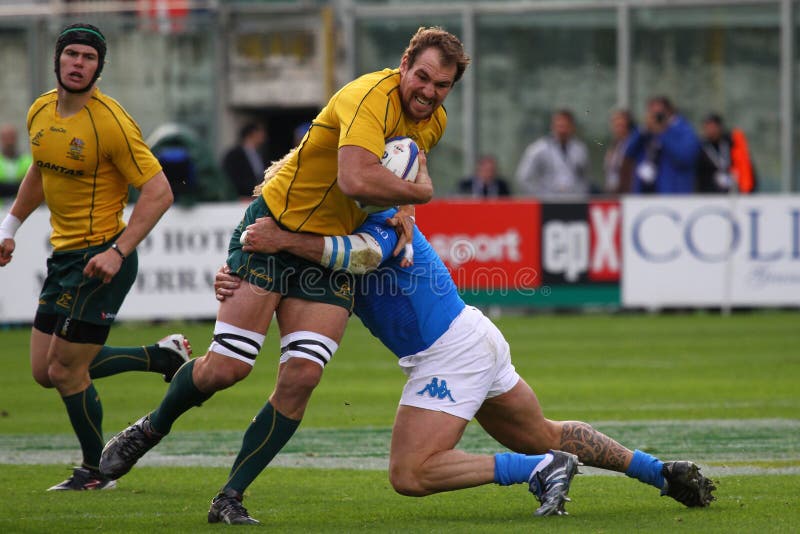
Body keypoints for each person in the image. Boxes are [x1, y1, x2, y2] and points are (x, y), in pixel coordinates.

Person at [99, 26, 471, 524]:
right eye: (422, 76)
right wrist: (421, 194)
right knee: (228, 367)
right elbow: (357, 178)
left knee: (302, 375)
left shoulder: (433, 121)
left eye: (442, 85)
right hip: (273, 232)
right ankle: (151, 427)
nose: (429, 91)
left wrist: (405, 207)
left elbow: (394, 188)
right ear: (404, 65)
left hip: (323, 256)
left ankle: (230, 497)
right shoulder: (367, 97)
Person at [212, 209, 717, 517]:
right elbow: (281, 269)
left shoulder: (382, 215)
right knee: (542, 430)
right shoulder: (334, 221)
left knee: (411, 473)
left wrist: (278, 241)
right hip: (472, 336)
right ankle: (660, 472)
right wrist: (233, 277)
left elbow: (358, 257)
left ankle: (541, 470)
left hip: (449, 352)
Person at [0, 23, 192, 491]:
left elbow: (159, 191)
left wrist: (118, 250)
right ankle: (160, 356)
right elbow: (41, 172)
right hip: (64, 257)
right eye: (72, 55)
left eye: (88, 57)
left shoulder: (111, 122)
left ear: (98, 68)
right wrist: (10, 227)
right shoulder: (40, 110)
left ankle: (94, 471)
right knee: (44, 371)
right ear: (58, 60)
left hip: (102, 259)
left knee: (66, 370)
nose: (78, 63)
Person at [624, 96, 700, 194]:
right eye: (652, 113)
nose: (656, 118)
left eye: (659, 114)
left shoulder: (684, 130)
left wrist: (663, 133)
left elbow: (685, 158)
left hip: (672, 194)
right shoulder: (645, 132)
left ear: (669, 112)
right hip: (644, 193)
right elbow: (628, 152)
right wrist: (643, 129)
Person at [515, 109, 590, 198]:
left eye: (566, 126)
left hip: (573, 201)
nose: (562, 130)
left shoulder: (580, 149)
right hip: (547, 202)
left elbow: (585, 178)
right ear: (552, 126)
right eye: (559, 126)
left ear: (572, 127)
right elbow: (524, 177)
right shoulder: (538, 149)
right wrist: (539, 195)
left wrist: (581, 195)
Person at [696, 113, 757, 194]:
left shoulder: (732, 143)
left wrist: (747, 189)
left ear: (719, 127)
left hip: (736, 192)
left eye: (712, 126)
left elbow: (745, 166)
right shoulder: (701, 147)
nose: (710, 130)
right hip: (711, 195)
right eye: (707, 127)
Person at [222, 122, 267, 200]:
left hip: (258, 198)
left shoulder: (261, 154)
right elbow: (229, 178)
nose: (263, 136)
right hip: (241, 199)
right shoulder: (234, 155)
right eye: (260, 133)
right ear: (252, 134)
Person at [603, 109, 637, 194]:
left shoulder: (633, 145)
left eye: (620, 125)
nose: (617, 129)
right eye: (615, 125)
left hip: (627, 192)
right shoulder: (614, 146)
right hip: (612, 191)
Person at [0, 123, 32, 198]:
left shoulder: (28, 161)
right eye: (6, 138)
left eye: (12, 137)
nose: (9, 141)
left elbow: (33, 186)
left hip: (23, 207)